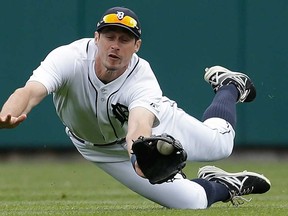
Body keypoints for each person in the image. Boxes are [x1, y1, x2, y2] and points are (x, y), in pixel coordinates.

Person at [0, 6, 270, 209]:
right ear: (97, 38)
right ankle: (225, 185)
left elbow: (139, 126)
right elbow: (29, 92)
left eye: (124, 39)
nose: (115, 45)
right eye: (109, 36)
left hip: (149, 127)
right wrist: (7, 114)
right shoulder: (68, 58)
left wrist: (138, 153)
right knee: (191, 202)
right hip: (96, 148)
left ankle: (229, 86)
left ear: (136, 45)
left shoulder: (142, 77)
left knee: (222, 145)